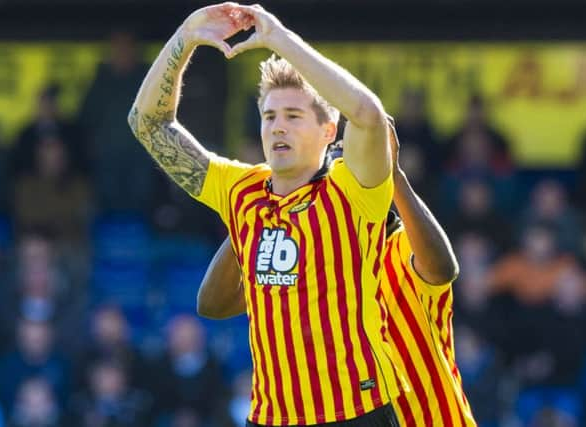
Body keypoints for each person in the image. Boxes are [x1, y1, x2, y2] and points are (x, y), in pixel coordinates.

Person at [128, 3, 399, 425]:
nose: (277, 127)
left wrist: (279, 39)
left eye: (293, 116)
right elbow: (147, 123)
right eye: (269, 116)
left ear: (329, 132)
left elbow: (368, 115)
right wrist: (185, 36)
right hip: (271, 415)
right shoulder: (239, 188)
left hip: (356, 410)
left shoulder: (353, 187)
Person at [198, 121, 477, 426]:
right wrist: (257, 210)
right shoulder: (308, 264)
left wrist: (393, 173)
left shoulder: (400, 246)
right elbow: (212, 305)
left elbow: (442, 269)